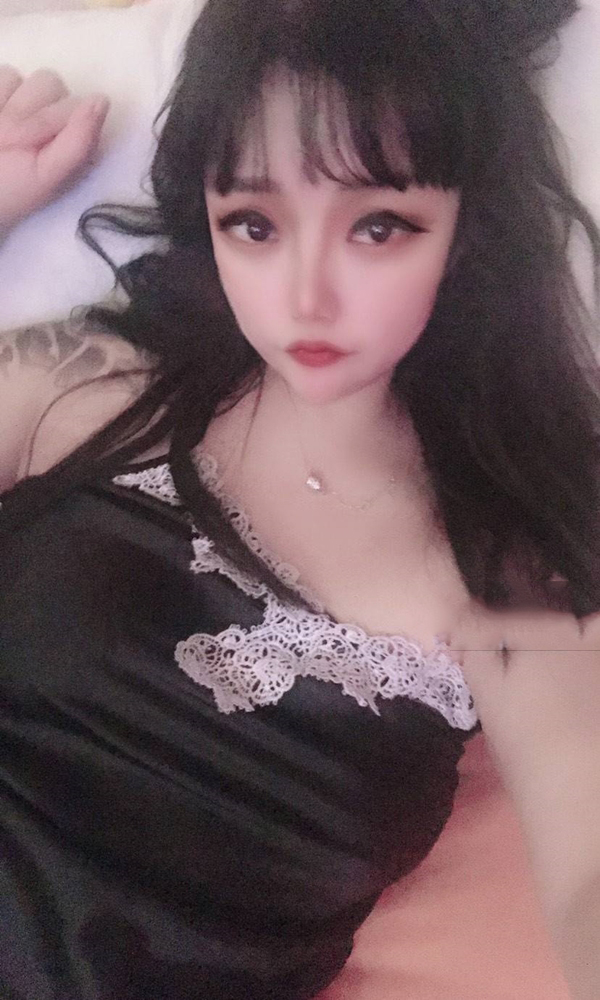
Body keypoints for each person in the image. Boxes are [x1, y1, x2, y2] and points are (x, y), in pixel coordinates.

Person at [1, 1, 600, 998]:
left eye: (377, 226)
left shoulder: (513, 555)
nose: (306, 296)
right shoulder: (86, 385)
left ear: (469, 229)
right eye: (255, 224)